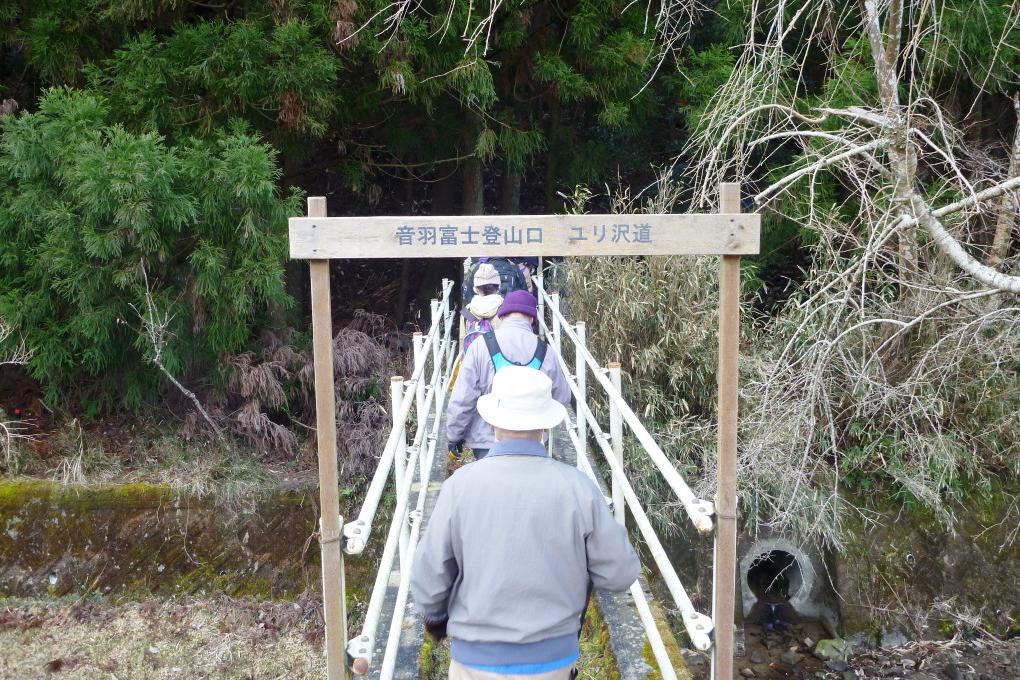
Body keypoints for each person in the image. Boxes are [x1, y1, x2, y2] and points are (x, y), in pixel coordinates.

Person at [411, 366, 641, 680]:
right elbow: (620, 574)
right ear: (546, 426)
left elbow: (430, 575)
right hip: (553, 661)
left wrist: (437, 619)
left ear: (492, 421)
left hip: (475, 661)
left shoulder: (459, 487)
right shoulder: (578, 488)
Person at [447, 290, 569, 461]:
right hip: (533, 443)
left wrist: (454, 436)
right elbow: (562, 397)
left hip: (487, 443)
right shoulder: (546, 352)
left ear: (502, 316)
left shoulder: (479, 346)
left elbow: (463, 398)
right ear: (532, 318)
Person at [462, 263, 504, 355]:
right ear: (498, 287)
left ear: (476, 289)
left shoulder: (467, 311)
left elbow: (463, 341)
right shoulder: (505, 309)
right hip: (497, 363)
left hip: (473, 362)